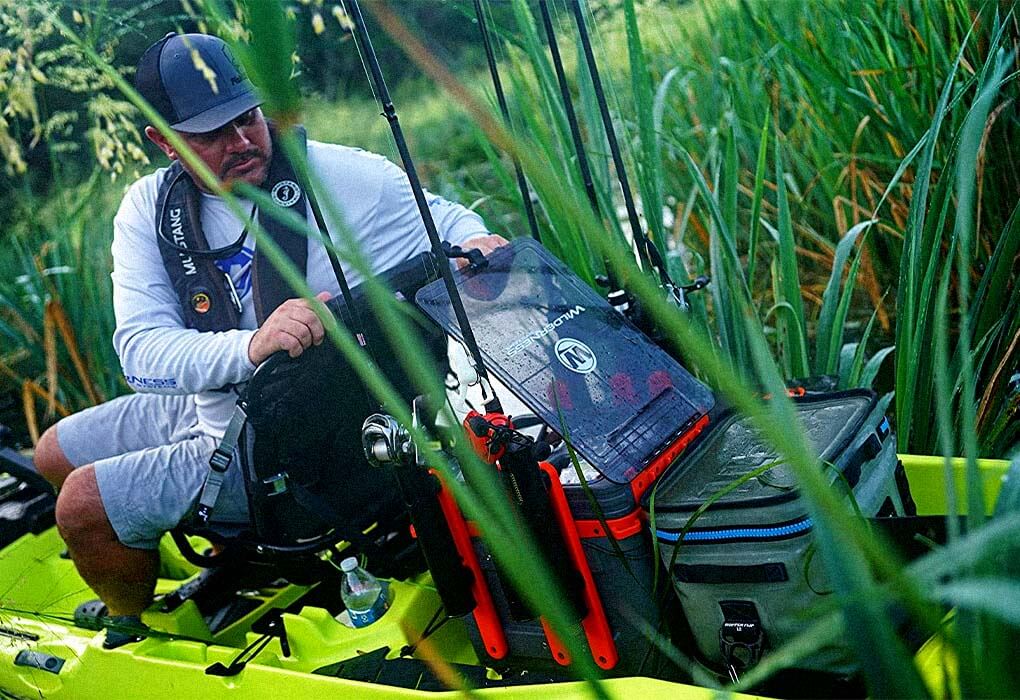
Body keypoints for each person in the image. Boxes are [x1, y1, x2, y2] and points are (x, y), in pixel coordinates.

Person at [32, 32, 504, 638]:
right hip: (209, 402)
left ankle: (129, 625)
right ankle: (212, 561)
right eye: (210, 133)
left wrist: (480, 244)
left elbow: (451, 221)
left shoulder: (343, 176)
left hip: (277, 437)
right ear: (162, 141)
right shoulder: (145, 210)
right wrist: (252, 345)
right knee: (51, 451)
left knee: (80, 507)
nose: (241, 142)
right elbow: (139, 355)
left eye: (247, 118)